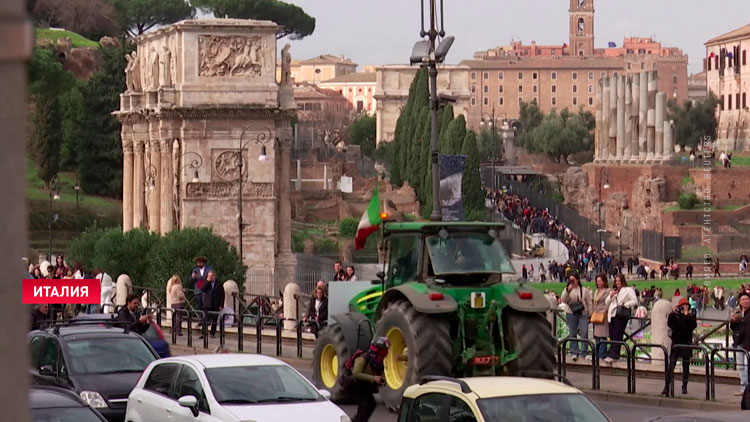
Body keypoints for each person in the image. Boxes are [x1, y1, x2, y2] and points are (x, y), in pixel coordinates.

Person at [348, 337, 389, 422]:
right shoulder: (363, 358)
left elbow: (379, 371)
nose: (386, 353)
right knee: (364, 405)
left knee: (371, 404)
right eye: (384, 350)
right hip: (353, 384)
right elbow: (356, 373)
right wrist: (373, 378)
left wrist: (382, 379)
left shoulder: (379, 360)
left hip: (364, 386)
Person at [662, 298, 698, 396]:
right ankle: (666, 386)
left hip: (686, 343)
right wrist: (673, 312)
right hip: (676, 342)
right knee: (671, 365)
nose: (685, 308)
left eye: (687, 306)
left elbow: (692, 326)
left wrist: (687, 316)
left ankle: (684, 386)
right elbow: (671, 324)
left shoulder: (691, 316)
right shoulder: (675, 316)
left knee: (686, 366)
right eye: (683, 306)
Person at [604, 274, 638, 363]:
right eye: (616, 281)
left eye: (619, 281)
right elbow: (606, 301)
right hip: (612, 314)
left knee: (617, 334)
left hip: (621, 314)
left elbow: (634, 301)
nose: (617, 282)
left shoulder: (628, 290)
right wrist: (611, 295)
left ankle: (613, 355)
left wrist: (625, 305)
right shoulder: (614, 291)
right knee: (612, 335)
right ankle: (614, 354)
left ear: (622, 281)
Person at [560, 273, 592, 361]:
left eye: (573, 280)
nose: (572, 282)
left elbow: (589, 302)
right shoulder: (567, 289)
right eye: (570, 280)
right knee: (572, 333)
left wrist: (590, 314)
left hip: (583, 312)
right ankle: (574, 352)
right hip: (571, 312)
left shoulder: (584, 290)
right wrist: (567, 290)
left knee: (584, 332)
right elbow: (563, 300)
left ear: (578, 280)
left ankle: (584, 352)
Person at [730, 291, 750, 396]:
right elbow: (733, 329)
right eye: (743, 300)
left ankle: (748, 389)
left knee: (748, 367)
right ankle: (743, 388)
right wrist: (733, 321)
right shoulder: (738, 313)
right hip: (739, 343)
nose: (745, 301)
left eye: (747, 299)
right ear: (740, 302)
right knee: (741, 366)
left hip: (748, 343)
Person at [591, 274, 611, 360]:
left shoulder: (608, 291)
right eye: (597, 281)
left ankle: (602, 354)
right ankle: (597, 353)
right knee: (597, 336)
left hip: (603, 315)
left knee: (603, 335)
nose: (598, 283)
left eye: (600, 281)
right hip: (596, 315)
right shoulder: (596, 291)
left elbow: (608, 302)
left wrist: (604, 310)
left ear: (604, 281)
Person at [201, 271, 224, 338]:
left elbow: (222, 295)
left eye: (211, 276)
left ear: (214, 276)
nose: (210, 277)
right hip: (207, 303)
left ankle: (212, 333)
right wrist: (207, 281)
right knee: (205, 319)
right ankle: (203, 333)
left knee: (214, 319)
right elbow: (202, 289)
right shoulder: (206, 282)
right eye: (209, 276)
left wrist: (221, 305)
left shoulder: (219, 283)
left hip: (215, 304)